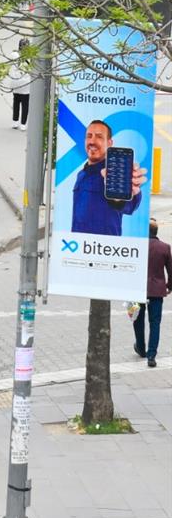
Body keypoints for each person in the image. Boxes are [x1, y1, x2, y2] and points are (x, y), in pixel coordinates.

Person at [71, 119, 146, 236]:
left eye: (99, 137)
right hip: (79, 248)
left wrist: (120, 196)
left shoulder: (114, 172)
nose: (92, 141)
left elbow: (129, 205)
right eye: (89, 136)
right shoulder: (81, 174)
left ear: (110, 143)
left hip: (104, 250)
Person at [137, 218, 170, 367]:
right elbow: (171, 270)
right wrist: (169, 286)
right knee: (155, 323)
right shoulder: (165, 247)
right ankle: (151, 355)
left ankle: (140, 347)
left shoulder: (137, 246)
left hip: (137, 290)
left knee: (137, 320)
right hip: (157, 290)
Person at [4, 39, 32, 130]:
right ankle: (23, 124)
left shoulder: (14, 54)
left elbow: (9, 66)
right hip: (26, 83)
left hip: (15, 83)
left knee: (16, 102)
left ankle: (15, 122)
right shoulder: (30, 57)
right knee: (25, 104)